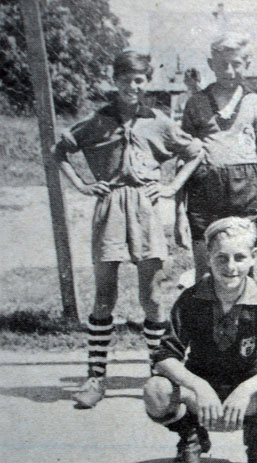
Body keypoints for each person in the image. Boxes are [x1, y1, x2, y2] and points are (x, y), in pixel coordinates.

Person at [53, 50, 204, 409]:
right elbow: (60, 151)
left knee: (151, 297)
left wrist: (170, 186)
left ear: (147, 81)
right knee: (104, 295)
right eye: (125, 79)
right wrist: (83, 185)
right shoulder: (98, 121)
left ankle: (159, 372)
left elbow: (195, 152)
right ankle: (96, 376)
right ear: (114, 80)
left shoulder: (158, 120)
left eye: (139, 80)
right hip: (110, 208)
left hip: (146, 209)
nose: (132, 86)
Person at [143, 217, 257, 463]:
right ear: (208, 257)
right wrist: (199, 387)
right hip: (204, 393)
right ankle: (191, 437)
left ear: (253, 258)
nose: (230, 267)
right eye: (221, 258)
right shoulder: (191, 299)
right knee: (156, 390)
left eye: (239, 258)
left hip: (249, 394)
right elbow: (164, 355)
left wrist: (246, 390)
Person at [180, 33, 257, 275]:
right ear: (211, 64)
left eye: (236, 64)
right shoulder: (196, 103)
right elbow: (185, 155)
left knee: (242, 262)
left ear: (247, 64)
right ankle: (205, 300)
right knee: (207, 266)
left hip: (245, 190)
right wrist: (179, 207)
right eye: (222, 64)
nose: (229, 71)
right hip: (205, 189)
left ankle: (244, 301)